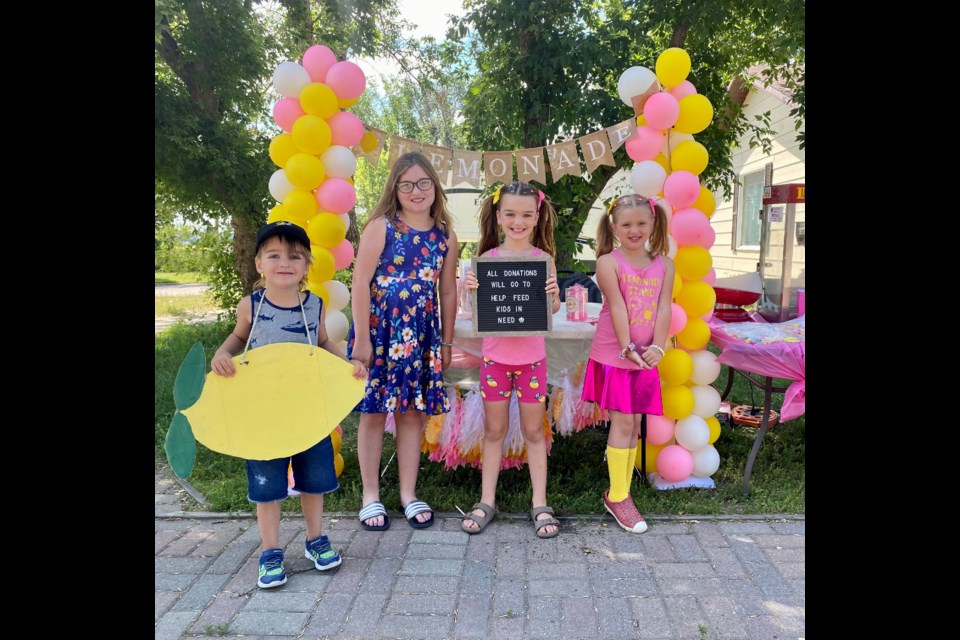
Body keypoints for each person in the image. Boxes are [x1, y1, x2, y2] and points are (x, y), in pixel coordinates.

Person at [210, 221, 367, 588]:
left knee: (314, 479)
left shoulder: (313, 304)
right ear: (260, 264)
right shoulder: (250, 305)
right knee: (267, 485)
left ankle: (316, 540)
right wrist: (222, 353)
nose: (285, 263)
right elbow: (238, 337)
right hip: (264, 414)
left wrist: (347, 363)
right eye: (274, 255)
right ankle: (270, 551)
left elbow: (325, 342)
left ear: (307, 264)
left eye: (295, 256)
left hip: (308, 411)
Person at [347, 152, 459, 531]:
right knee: (374, 411)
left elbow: (447, 291)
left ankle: (408, 493)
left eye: (423, 182)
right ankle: (370, 495)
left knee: (411, 413)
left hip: (421, 336)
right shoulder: (382, 227)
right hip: (380, 332)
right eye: (407, 184)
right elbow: (360, 281)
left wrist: (445, 343)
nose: (416, 191)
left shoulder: (445, 235)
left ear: (434, 187)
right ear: (395, 189)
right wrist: (362, 337)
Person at [460, 181, 562, 539]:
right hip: (495, 362)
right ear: (499, 216)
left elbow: (551, 309)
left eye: (525, 215)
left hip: (532, 360)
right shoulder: (486, 261)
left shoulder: (542, 260)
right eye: (510, 214)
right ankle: (487, 499)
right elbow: (473, 312)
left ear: (536, 217)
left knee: (534, 431)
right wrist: (470, 291)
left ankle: (539, 502)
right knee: (493, 431)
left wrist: (553, 297)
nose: (518, 221)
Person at [582, 194, 674, 534]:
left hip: (646, 355)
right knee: (622, 423)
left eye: (640, 223)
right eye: (626, 224)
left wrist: (659, 348)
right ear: (614, 226)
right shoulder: (609, 262)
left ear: (652, 223)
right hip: (616, 354)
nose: (634, 230)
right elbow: (618, 308)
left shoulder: (665, 264)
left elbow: (664, 308)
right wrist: (627, 347)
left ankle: (622, 491)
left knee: (635, 425)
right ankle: (618, 496)